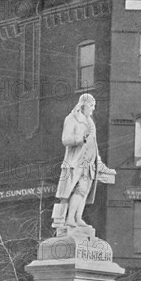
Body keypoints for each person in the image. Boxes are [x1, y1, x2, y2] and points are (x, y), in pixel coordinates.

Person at [54, 93, 116, 228]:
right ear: (83, 105)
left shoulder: (90, 122)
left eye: (94, 106)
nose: (93, 109)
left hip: (89, 164)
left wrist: (99, 164)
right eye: (91, 106)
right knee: (69, 192)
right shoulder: (72, 119)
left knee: (83, 191)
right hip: (75, 163)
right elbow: (65, 139)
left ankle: (77, 218)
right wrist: (81, 139)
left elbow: (93, 146)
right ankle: (69, 219)